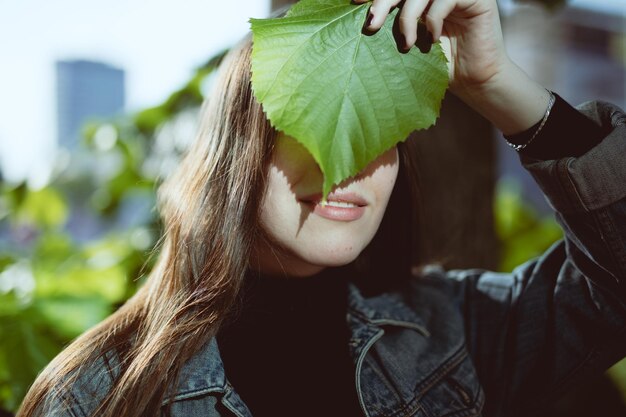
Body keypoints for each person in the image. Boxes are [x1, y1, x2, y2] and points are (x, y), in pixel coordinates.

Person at [18, 0, 626, 416]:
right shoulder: (96, 394)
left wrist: (497, 83)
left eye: (378, 130)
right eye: (309, 127)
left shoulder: (457, 331)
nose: (347, 164)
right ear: (236, 153)